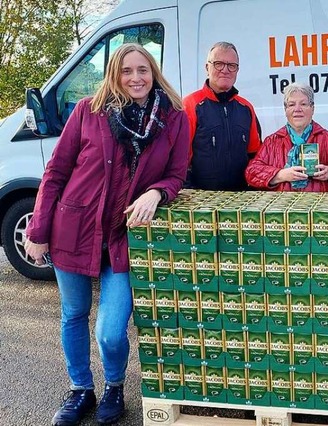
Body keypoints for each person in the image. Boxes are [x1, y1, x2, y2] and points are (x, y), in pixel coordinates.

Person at [24, 43, 190, 425]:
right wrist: (38, 229)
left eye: (143, 70)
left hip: (122, 235)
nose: (136, 78)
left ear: (154, 73)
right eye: (127, 71)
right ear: (115, 74)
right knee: (73, 315)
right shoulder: (88, 111)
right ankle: (80, 389)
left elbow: (178, 174)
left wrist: (157, 191)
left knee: (112, 330)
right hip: (75, 229)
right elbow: (56, 174)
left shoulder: (173, 117)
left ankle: (114, 386)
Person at [183, 41, 262, 190]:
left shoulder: (246, 108)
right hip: (201, 203)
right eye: (218, 64)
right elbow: (180, 160)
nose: (225, 70)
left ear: (237, 70)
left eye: (232, 65)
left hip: (240, 201)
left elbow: (255, 156)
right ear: (207, 68)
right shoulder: (190, 105)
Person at [245, 82, 328, 191]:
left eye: (303, 104)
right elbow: (251, 172)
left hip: (320, 206)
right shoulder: (271, 142)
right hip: (281, 206)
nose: (297, 109)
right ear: (285, 110)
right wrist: (280, 175)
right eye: (291, 104)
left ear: (312, 108)